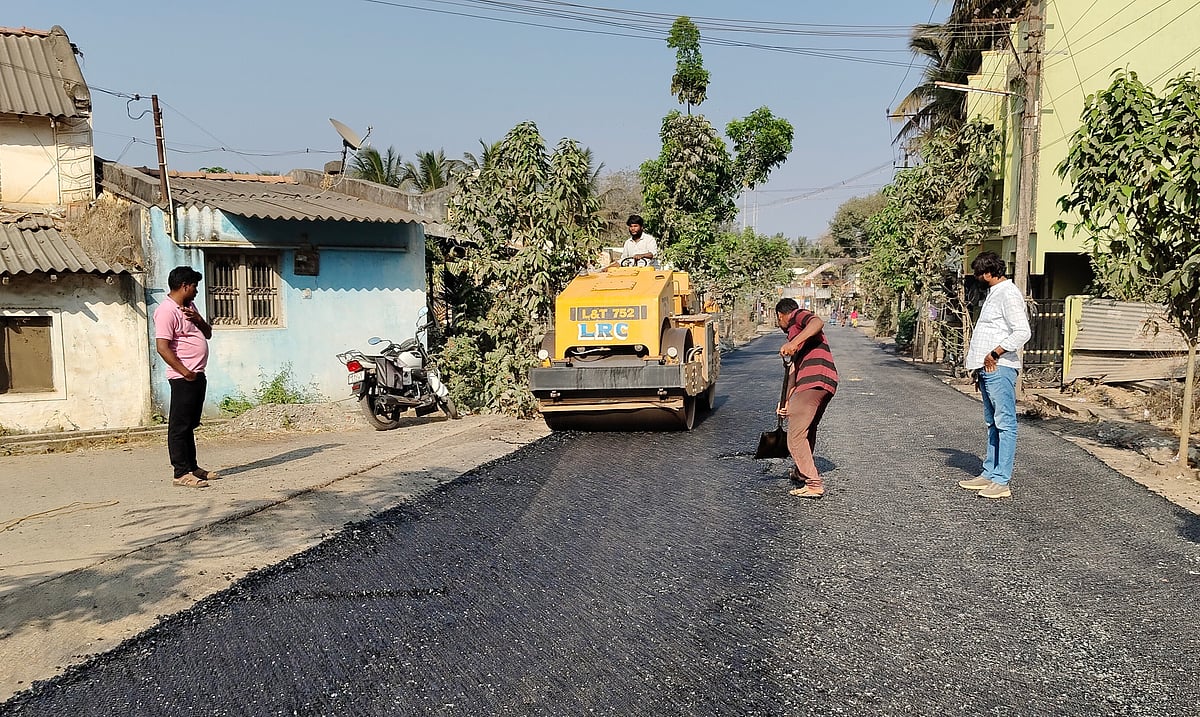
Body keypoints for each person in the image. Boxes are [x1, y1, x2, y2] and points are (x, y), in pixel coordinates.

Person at [958, 251, 1031, 500]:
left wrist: (995, 353)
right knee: (993, 423)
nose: (978, 277)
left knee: (1005, 424)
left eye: (979, 273)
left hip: (1000, 368)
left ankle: (1002, 480)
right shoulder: (994, 294)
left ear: (989, 272)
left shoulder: (1009, 294)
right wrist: (980, 367)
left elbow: (1022, 332)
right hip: (987, 369)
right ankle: (989, 473)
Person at [154, 266, 218, 488]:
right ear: (184, 286)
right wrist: (185, 372)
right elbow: (162, 347)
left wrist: (199, 319)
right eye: (195, 286)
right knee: (179, 426)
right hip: (184, 377)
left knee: (190, 425)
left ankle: (193, 467)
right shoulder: (166, 311)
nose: (197, 291)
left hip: (197, 375)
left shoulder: (189, 307)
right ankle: (180, 473)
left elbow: (207, 334)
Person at [775, 297, 839, 499]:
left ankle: (814, 484)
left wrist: (793, 342)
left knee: (794, 437)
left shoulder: (797, 316)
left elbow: (817, 322)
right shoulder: (796, 335)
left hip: (813, 381)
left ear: (781, 315)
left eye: (778, 320)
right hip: (826, 383)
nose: (780, 325)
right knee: (807, 428)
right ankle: (801, 472)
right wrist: (785, 402)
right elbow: (792, 373)